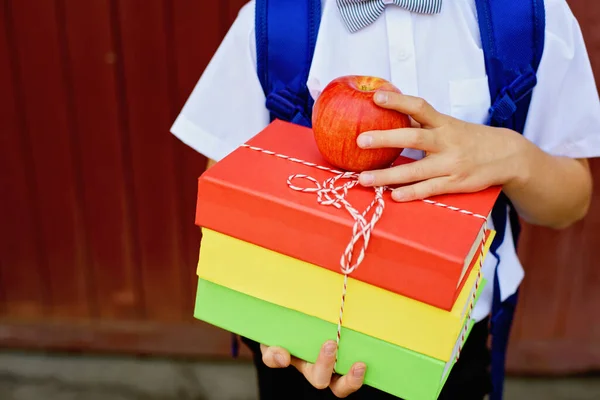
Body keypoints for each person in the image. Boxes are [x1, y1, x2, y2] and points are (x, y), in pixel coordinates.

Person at [171, 0, 600, 398]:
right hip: (300, 341)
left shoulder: (526, 18)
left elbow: (571, 204)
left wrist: (513, 156)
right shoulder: (272, 25)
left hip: (456, 343)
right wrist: (272, 323)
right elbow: (228, 212)